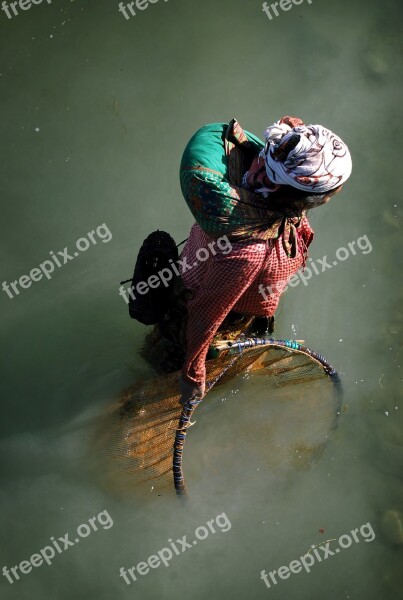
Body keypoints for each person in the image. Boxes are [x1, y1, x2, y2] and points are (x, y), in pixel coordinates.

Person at [178, 116, 352, 405]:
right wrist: (193, 373)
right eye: (324, 196)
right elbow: (206, 312)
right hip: (212, 315)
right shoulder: (249, 251)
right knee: (176, 363)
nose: (328, 198)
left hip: (225, 288)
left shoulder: (263, 170)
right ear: (300, 198)